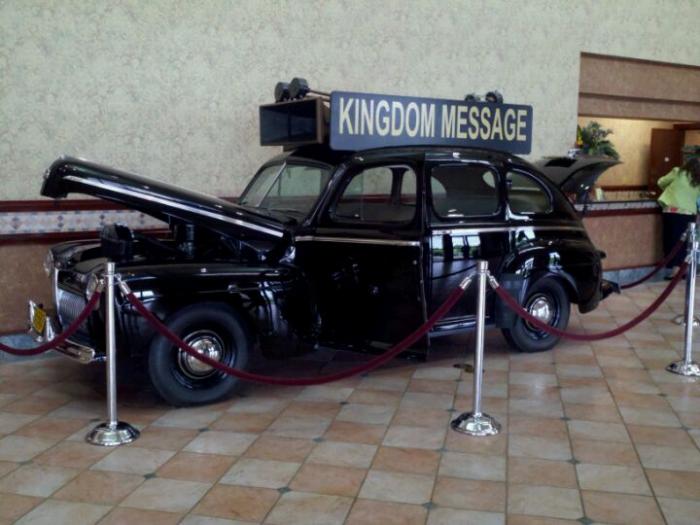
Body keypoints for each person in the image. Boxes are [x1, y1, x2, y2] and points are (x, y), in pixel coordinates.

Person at [657, 157, 700, 278]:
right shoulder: (698, 178)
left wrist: (671, 189)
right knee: (682, 242)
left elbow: (660, 182)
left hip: (671, 210)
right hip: (688, 213)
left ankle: (674, 270)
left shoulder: (678, 172)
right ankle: (679, 270)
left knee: (670, 239)